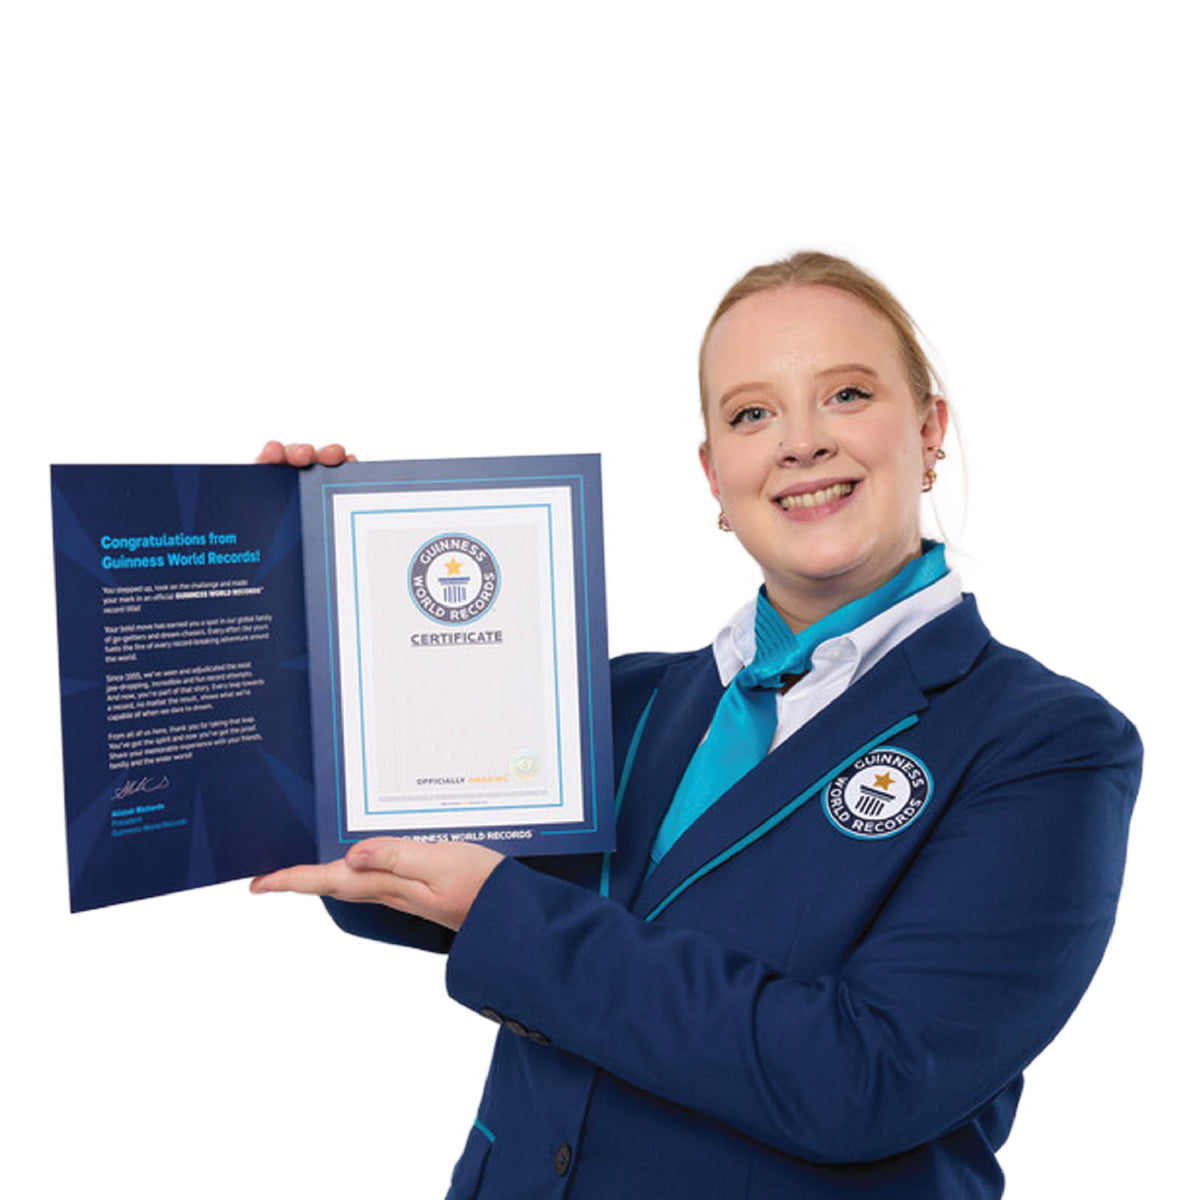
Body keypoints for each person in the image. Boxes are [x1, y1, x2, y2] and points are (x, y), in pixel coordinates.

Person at [251, 251, 1142, 1198]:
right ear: (715, 474)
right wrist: (332, 602)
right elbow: (401, 869)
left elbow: (866, 1080)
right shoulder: (614, 700)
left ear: (929, 432)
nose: (801, 443)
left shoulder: (1047, 746)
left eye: (846, 395)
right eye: (753, 414)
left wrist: (505, 911)